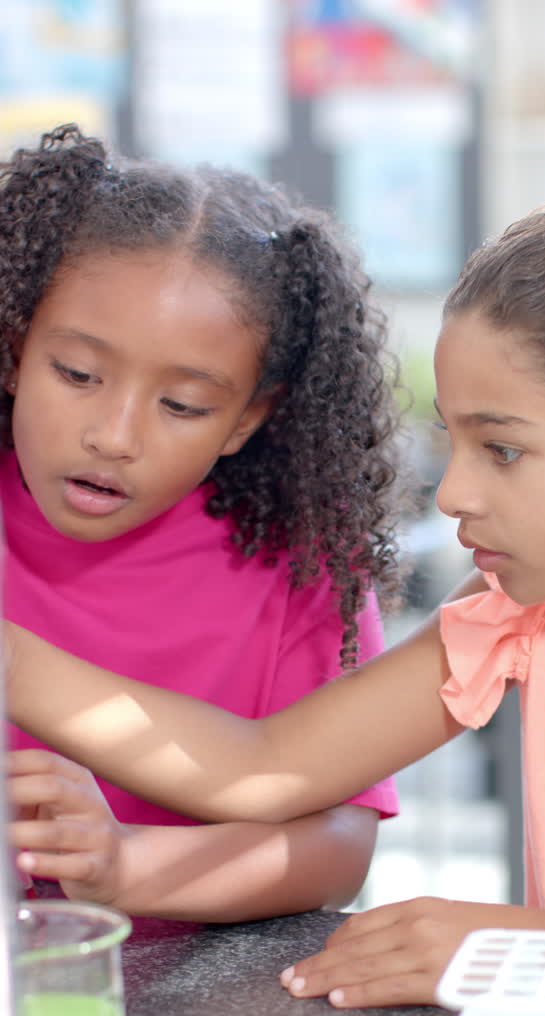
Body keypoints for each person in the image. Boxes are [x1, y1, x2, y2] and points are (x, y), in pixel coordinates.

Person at [9, 132, 545, 1005]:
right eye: (454, 441)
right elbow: (267, 764)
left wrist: (513, 942)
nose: (451, 492)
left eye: (502, 450)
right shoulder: (522, 606)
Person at [0, 122, 404, 922]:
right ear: (14, 347)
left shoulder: (299, 564)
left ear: (247, 420)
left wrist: (130, 865)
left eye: (182, 405)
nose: (114, 435)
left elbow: (339, 848)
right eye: (77, 373)